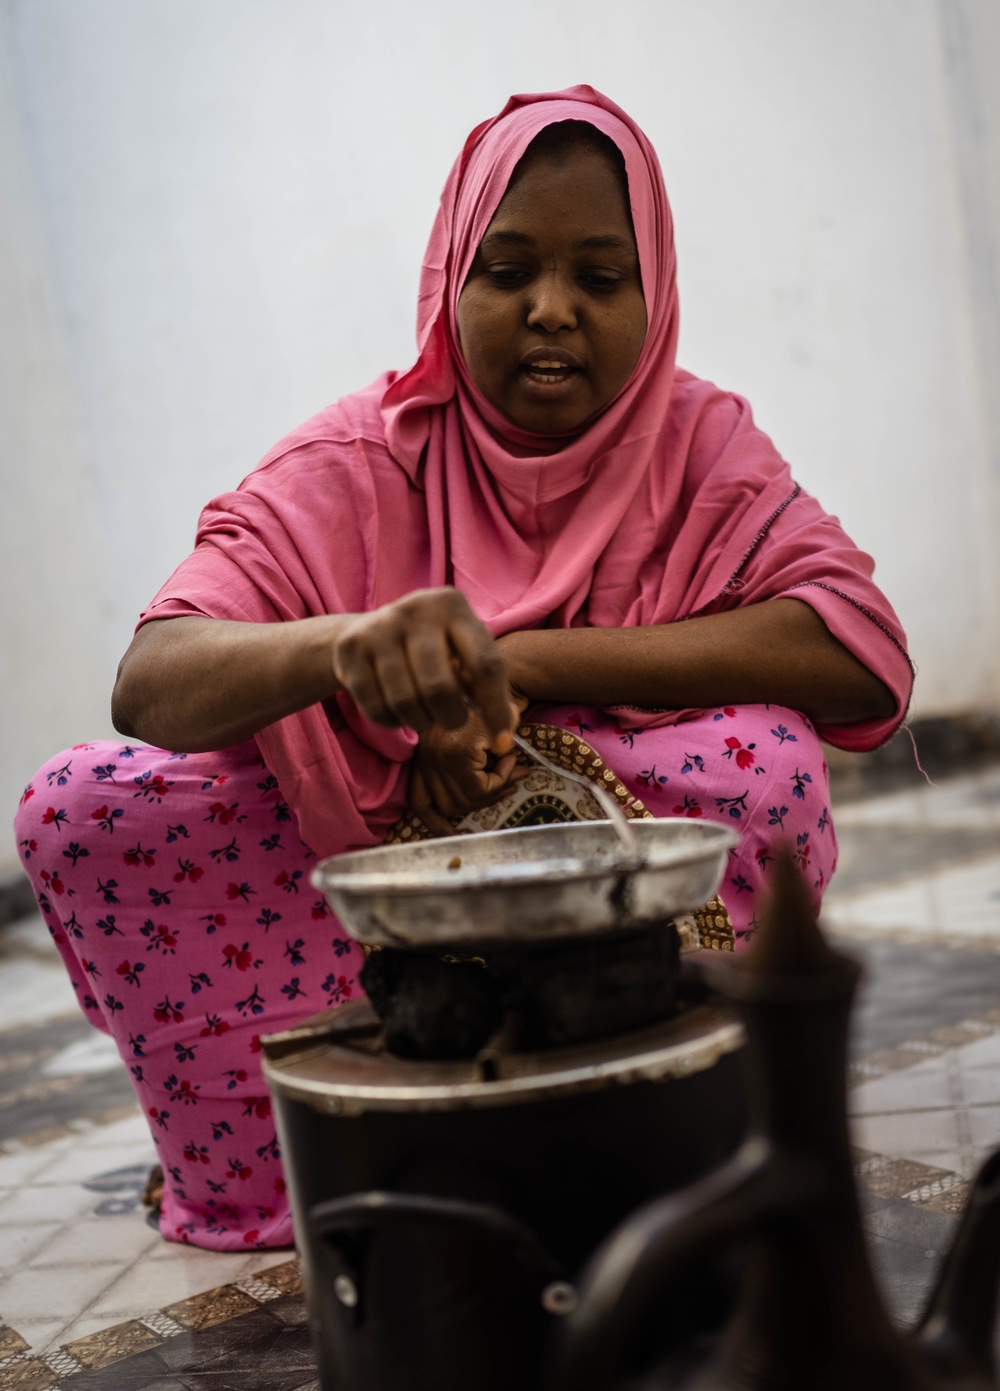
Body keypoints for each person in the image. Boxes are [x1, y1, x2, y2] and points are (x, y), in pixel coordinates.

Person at [13, 86, 912, 1251]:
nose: (551, 311)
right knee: (82, 809)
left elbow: (855, 648)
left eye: (598, 278)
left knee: (764, 764)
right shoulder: (351, 458)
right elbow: (154, 683)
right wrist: (348, 650)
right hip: (351, 867)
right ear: (448, 281)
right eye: (507, 272)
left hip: (602, 879)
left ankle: (660, 1121)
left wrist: (516, 665)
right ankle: (284, 1167)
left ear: (655, 295)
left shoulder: (698, 445)